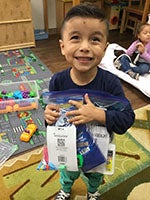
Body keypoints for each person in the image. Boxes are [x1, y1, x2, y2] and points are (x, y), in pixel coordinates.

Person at [44, 3, 135, 200]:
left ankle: (93, 192)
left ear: (105, 47)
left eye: (95, 39)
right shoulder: (58, 81)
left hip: (98, 148)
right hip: (67, 146)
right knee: (67, 172)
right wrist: (48, 116)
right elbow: (53, 117)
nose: (85, 47)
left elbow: (127, 118)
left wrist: (99, 115)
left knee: (95, 175)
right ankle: (65, 190)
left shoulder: (110, 83)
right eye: (75, 38)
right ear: (63, 46)